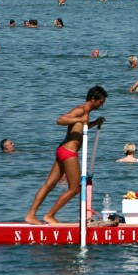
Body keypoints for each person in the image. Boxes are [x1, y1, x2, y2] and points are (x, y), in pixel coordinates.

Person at [25, 86, 107, 225]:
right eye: (101, 102)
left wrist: (93, 123)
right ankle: (49, 215)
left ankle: (30, 215)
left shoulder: (86, 113)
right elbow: (60, 120)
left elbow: (79, 127)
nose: (102, 105)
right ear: (93, 99)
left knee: (49, 184)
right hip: (69, 153)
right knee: (75, 188)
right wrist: (80, 118)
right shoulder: (80, 110)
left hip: (62, 150)